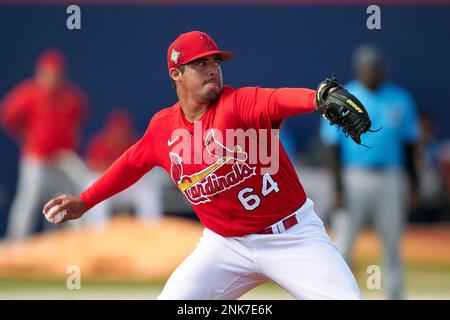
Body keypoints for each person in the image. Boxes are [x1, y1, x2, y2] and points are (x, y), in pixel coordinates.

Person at [43, 31, 361, 300]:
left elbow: (276, 99)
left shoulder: (236, 104)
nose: (212, 69)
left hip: (292, 235)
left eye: (215, 62)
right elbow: (130, 164)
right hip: (225, 246)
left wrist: (318, 98)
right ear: (175, 73)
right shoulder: (163, 128)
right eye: (200, 63)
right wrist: (84, 201)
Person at [320, 44, 420, 299]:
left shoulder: (400, 98)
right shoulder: (345, 96)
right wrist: (338, 188)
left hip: (390, 176)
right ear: (358, 70)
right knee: (343, 242)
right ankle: (335, 295)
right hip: (354, 175)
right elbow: (332, 148)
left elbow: (409, 145)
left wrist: (414, 183)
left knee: (392, 243)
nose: (371, 72)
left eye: (375, 67)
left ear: (383, 69)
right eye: (366, 68)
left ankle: (395, 294)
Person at [1, 49, 88, 240]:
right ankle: (15, 244)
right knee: (29, 202)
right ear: (41, 73)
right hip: (37, 158)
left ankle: (69, 245)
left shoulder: (70, 96)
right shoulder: (29, 93)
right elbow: (7, 114)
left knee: (65, 200)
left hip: (61, 159)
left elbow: (79, 115)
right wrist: (23, 134)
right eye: (49, 73)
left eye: (57, 73)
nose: (53, 77)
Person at [82, 109, 163, 228]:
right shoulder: (101, 143)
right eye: (116, 130)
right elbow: (93, 167)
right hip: (106, 188)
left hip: (126, 188)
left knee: (147, 188)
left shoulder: (132, 143)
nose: (119, 133)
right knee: (90, 181)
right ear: (110, 130)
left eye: (122, 130)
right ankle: (97, 229)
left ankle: (151, 228)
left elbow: (141, 167)